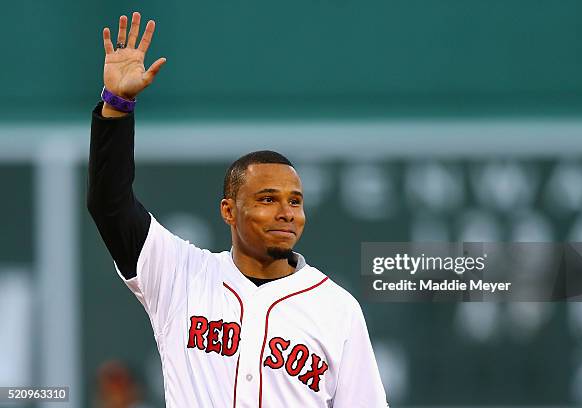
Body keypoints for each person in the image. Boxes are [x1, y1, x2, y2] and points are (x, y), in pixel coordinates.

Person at [87, 11, 388, 408]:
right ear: (228, 211)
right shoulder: (182, 275)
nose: (286, 212)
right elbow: (110, 205)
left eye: (295, 201)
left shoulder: (337, 308)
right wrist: (117, 107)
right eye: (268, 199)